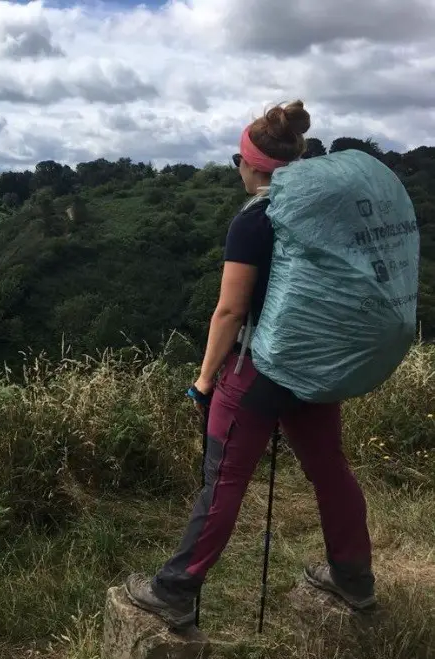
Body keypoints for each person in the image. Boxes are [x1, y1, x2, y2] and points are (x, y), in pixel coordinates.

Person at [124, 101, 377, 629]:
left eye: (237, 161)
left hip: (257, 368)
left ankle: (175, 590)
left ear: (250, 163)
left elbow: (231, 310)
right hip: (314, 367)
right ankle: (354, 580)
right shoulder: (323, 212)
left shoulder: (256, 220)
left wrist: (203, 379)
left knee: (224, 479)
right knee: (330, 471)